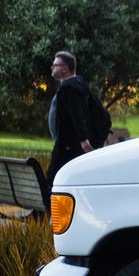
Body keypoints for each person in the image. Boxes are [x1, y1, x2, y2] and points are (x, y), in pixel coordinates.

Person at [47, 50, 94, 191]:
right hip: (72, 144)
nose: (52, 68)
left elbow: (77, 115)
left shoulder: (68, 89)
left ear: (65, 68)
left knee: (52, 179)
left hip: (68, 145)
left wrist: (83, 140)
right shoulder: (79, 85)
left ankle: (45, 211)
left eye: (55, 65)